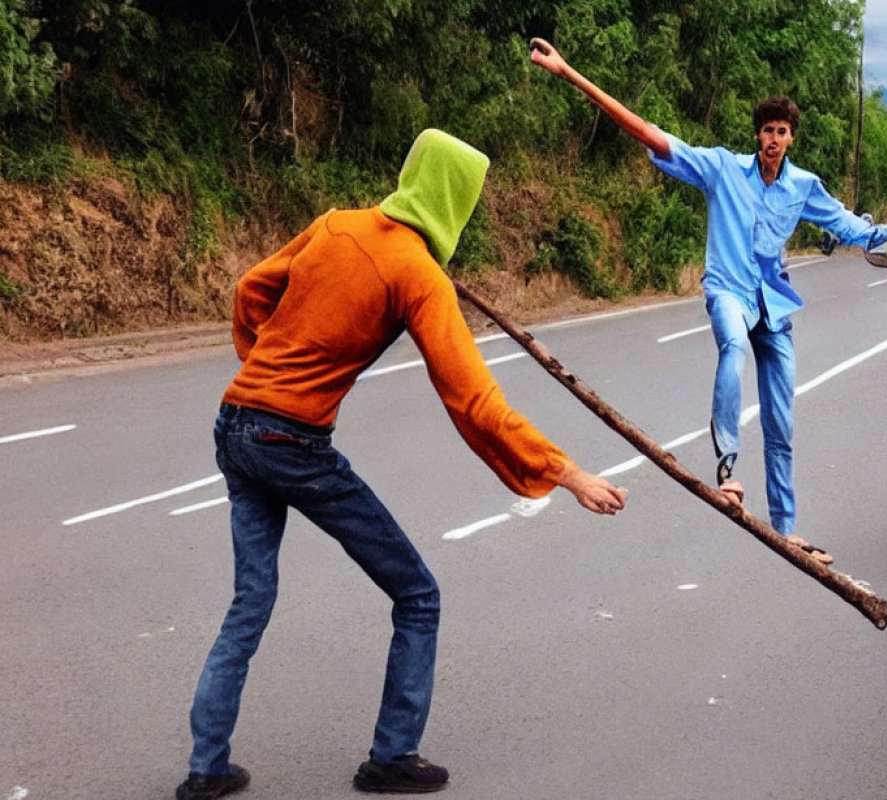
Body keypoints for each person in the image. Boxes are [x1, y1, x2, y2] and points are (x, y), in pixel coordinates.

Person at [174, 128, 628, 800]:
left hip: (236, 424)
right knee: (418, 596)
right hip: (292, 444)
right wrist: (568, 474)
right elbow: (474, 401)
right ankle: (392, 757)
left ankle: (205, 771)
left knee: (250, 601)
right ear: (456, 200)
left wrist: (265, 367)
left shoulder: (336, 225)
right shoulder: (419, 274)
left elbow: (250, 290)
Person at [529, 38, 887, 565]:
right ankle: (727, 470)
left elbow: (854, 229)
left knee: (782, 420)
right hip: (728, 292)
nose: (773, 139)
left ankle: (786, 527)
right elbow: (651, 134)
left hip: (774, 307)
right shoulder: (723, 168)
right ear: (757, 135)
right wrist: (568, 73)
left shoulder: (803, 186)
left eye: (782, 131)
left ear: (791, 137)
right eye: (766, 130)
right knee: (732, 348)